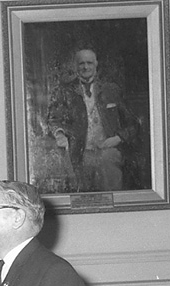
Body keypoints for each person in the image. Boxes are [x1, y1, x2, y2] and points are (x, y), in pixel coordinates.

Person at [47, 47, 141, 192]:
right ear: (76, 66)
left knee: (109, 173)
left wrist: (118, 138)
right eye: (81, 63)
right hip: (79, 152)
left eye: (89, 63)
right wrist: (60, 135)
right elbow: (54, 119)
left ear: (96, 64)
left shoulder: (112, 90)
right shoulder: (64, 91)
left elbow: (133, 124)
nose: (86, 67)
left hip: (108, 151)